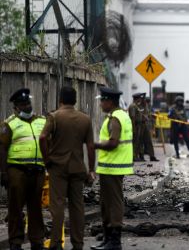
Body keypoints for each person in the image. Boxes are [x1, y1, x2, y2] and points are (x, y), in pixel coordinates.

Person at [39, 86, 96, 250]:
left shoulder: (54, 117)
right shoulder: (85, 119)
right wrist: (91, 170)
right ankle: (78, 243)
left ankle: (56, 243)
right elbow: (91, 147)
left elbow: (43, 137)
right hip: (78, 168)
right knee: (77, 207)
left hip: (58, 168)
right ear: (76, 100)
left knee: (57, 206)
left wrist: (47, 160)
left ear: (60, 99)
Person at [0, 88, 46, 250]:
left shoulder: (41, 121)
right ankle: (16, 242)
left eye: (28, 103)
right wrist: (3, 172)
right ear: (16, 107)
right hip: (17, 172)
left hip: (38, 171)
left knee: (36, 210)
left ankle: (37, 242)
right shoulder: (9, 124)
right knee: (15, 210)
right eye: (22, 104)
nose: (27, 107)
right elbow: (2, 149)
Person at [91, 87, 134, 250]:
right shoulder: (122, 115)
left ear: (109, 101)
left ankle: (114, 241)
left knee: (113, 203)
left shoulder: (115, 118)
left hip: (113, 167)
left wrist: (93, 145)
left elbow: (113, 142)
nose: (101, 104)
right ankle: (108, 238)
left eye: (102, 101)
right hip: (112, 167)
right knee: (106, 203)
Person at [128, 93, 157, 162]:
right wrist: (134, 128)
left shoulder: (144, 105)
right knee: (137, 141)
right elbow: (133, 118)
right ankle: (137, 156)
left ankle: (151, 156)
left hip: (144, 124)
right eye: (141, 98)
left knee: (147, 140)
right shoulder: (135, 106)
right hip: (138, 125)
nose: (142, 100)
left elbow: (146, 114)